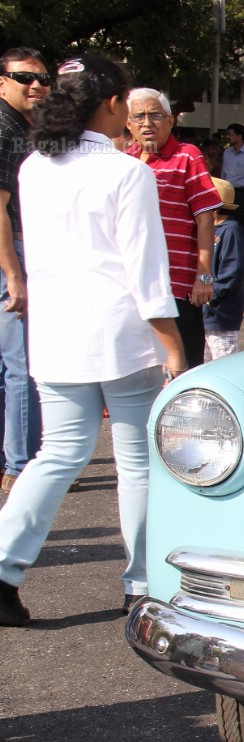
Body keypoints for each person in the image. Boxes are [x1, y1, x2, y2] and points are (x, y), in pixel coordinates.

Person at [0, 52, 186, 626]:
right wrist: (174, 347)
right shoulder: (126, 172)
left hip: (56, 332)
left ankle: (3, 567)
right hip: (122, 332)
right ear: (111, 105)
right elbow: (146, 269)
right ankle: (143, 582)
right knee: (137, 462)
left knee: (57, 454)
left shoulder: (35, 165)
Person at [125, 87, 221, 372]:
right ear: (127, 123)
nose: (147, 123)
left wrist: (203, 276)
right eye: (139, 116)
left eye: (155, 115)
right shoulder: (124, 161)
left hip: (177, 285)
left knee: (183, 369)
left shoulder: (187, 156)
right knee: (141, 370)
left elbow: (206, 217)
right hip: (133, 286)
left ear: (170, 121)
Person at [0, 48, 49, 496]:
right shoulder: (3, 128)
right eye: (23, 77)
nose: (35, 85)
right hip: (8, 254)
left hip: (12, 252)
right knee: (20, 366)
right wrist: (14, 273)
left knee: (10, 366)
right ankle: (21, 465)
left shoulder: (22, 127)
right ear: (2, 81)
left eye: (41, 79)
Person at [203, 178, 244, 359]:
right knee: (199, 364)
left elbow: (231, 271)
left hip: (221, 312)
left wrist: (212, 294)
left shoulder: (230, 230)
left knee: (221, 361)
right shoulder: (206, 229)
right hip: (204, 311)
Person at [218, 122, 244, 276]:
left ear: (239, 136)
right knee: (226, 228)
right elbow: (223, 174)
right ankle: (227, 265)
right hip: (228, 191)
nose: (228, 137)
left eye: (231, 134)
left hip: (243, 193)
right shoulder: (227, 152)